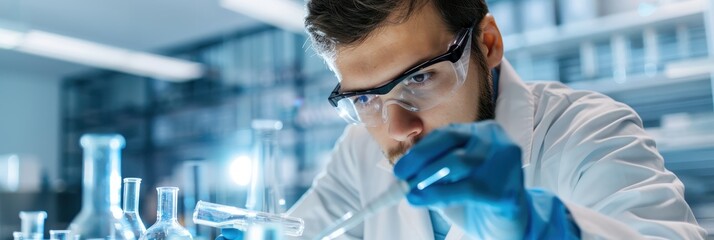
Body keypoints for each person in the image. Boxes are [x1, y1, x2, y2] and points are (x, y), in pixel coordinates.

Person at [221, 0, 707, 239]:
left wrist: (538, 225)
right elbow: (298, 232)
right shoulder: (357, 151)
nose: (398, 129)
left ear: (488, 44)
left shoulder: (587, 129)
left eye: (418, 80)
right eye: (366, 99)